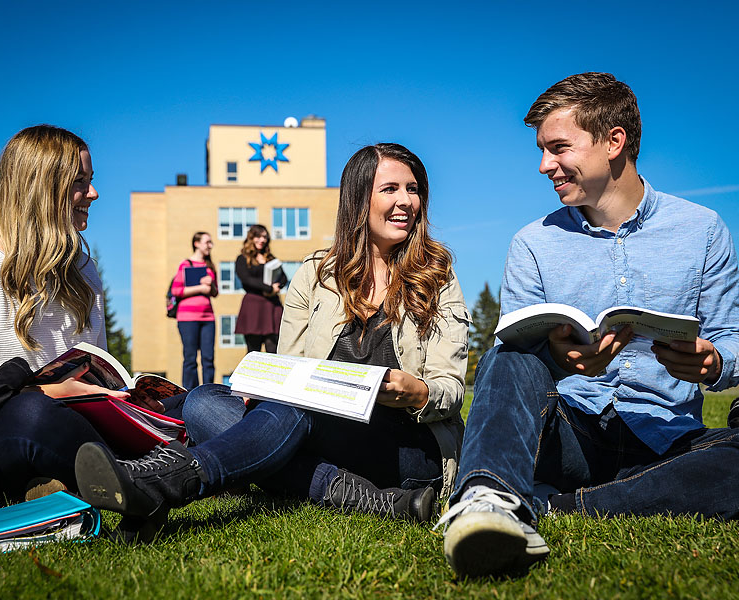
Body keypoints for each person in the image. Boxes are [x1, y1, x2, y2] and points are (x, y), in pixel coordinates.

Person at [434, 72, 739, 579]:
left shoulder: (702, 229)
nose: (545, 165)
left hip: (667, 436)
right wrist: (559, 358)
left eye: (558, 148)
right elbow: (517, 363)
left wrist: (714, 361)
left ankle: (557, 506)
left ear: (614, 142)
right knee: (507, 353)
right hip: (570, 432)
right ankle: (487, 502)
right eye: (542, 150)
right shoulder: (532, 243)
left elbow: (733, 342)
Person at [74, 143, 470, 525]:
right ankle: (365, 498)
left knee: (296, 406)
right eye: (390, 189)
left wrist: (418, 393)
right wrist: (263, 390)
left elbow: (450, 389)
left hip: (408, 446)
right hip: (325, 433)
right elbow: (289, 370)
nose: (406, 201)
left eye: (413, 189)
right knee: (203, 403)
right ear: (358, 199)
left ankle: (168, 480)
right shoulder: (316, 273)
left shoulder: (437, 276)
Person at [0, 125, 173, 502]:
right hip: (10, 433)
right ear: (41, 188)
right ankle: (164, 470)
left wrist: (127, 398)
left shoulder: (83, 270)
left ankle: (149, 471)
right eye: (79, 182)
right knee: (31, 413)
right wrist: (51, 392)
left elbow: (101, 370)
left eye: (91, 180)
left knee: (203, 399)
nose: (93, 193)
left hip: (85, 422)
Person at [171, 231, 218, 389]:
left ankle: (209, 391)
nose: (210, 245)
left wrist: (210, 285)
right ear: (196, 244)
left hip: (208, 318)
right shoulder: (185, 265)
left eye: (211, 242)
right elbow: (176, 290)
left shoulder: (210, 267)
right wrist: (200, 288)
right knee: (190, 358)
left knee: (208, 358)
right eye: (207, 242)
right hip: (187, 318)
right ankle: (190, 393)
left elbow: (215, 292)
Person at [234, 224, 288, 353]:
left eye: (264, 237)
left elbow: (283, 277)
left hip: (272, 306)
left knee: (273, 349)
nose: (262, 240)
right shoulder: (242, 259)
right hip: (253, 306)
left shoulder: (271, 258)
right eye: (258, 237)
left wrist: (277, 287)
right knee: (253, 350)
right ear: (251, 238)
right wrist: (268, 288)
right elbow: (246, 279)